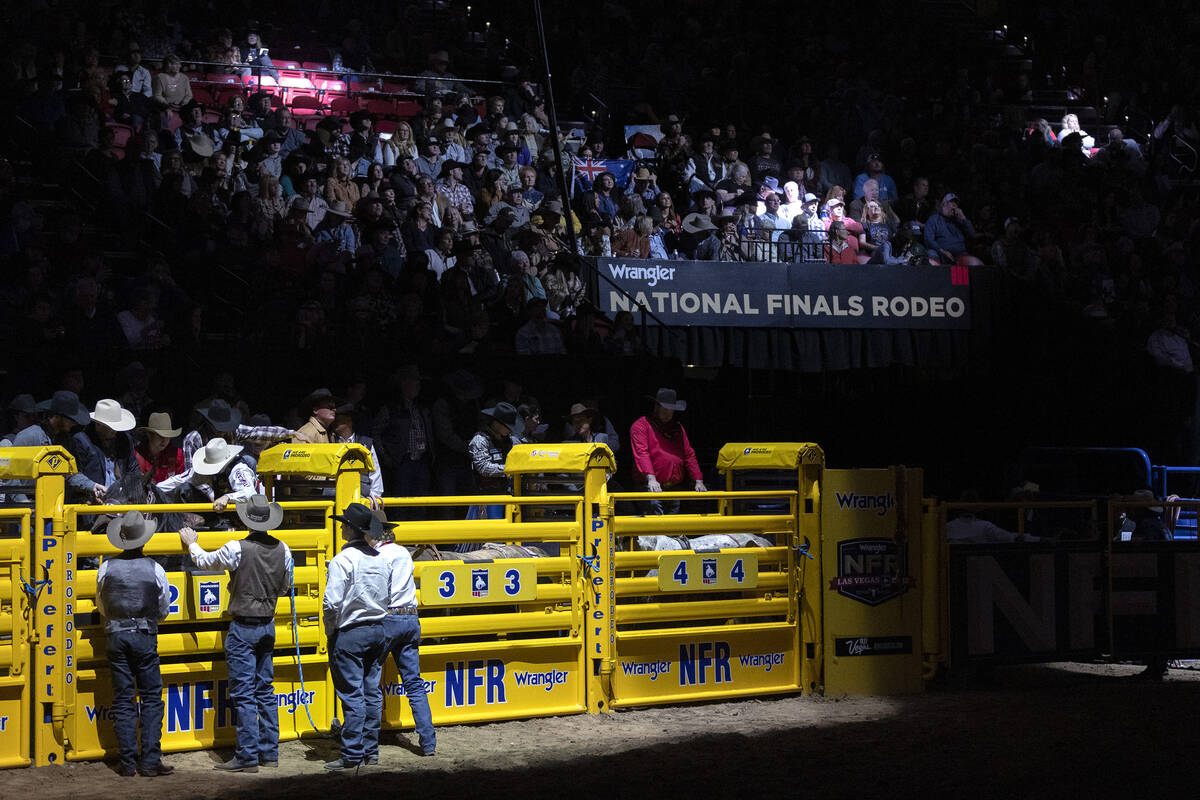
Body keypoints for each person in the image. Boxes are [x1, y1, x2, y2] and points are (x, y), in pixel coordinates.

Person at [180, 497, 293, 772]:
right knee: (264, 689)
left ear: (246, 521)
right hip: (267, 624)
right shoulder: (284, 549)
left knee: (244, 693)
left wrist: (191, 542)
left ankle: (247, 755)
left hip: (243, 627)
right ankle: (269, 752)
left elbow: (206, 562)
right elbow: (284, 586)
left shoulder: (236, 548)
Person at [96, 511, 172, 777]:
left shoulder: (106, 567)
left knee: (123, 698)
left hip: (116, 635)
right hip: (144, 635)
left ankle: (127, 762)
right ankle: (150, 760)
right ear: (144, 540)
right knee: (151, 697)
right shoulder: (155, 569)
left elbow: (102, 604)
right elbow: (164, 608)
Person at [323, 503, 393, 772]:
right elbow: (386, 595)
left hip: (351, 632)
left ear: (351, 529)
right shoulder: (380, 558)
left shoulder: (343, 560)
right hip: (377, 629)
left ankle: (352, 754)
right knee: (371, 693)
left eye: (343, 524)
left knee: (353, 695)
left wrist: (332, 630)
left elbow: (331, 603)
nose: (341, 526)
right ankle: (369, 751)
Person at [365, 513, 435, 757]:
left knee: (371, 679)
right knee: (414, 682)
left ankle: (369, 746)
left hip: (389, 617)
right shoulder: (404, 553)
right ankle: (428, 743)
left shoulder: (378, 556)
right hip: (410, 617)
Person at [629, 388, 706, 515]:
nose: (668, 414)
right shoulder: (641, 425)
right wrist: (651, 479)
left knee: (671, 528)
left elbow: (689, 455)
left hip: (673, 487)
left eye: (671, 411)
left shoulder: (677, 428)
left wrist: (698, 480)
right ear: (656, 407)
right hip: (650, 486)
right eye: (665, 410)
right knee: (655, 525)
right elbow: (642, 453)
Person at [466, 402, 522, 524]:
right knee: (486, 534)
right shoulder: (480, 440)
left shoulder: (512, 441)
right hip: (486, 497)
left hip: (508, 496)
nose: (509, 430)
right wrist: (510, 469)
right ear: (496, 423)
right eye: (507, 426)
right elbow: (483, 468)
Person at [924, 193, 979, 265]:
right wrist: (943, 251)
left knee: (971, 261)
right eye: (952, 203)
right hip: (941, 253)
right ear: (944, 204)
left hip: (960, 254)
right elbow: (928, 240)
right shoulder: (934, 219)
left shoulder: (959, 221)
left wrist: (963, 218)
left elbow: (972, 234)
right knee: (931, 253)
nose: (955, 206)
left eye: (956, 204)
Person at [134, 412, 185, 482]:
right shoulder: (136, 455)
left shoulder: (177, 455)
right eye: (160, 436)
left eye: (167, 436)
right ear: (149, 435)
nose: (164, 440)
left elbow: (181, 482)